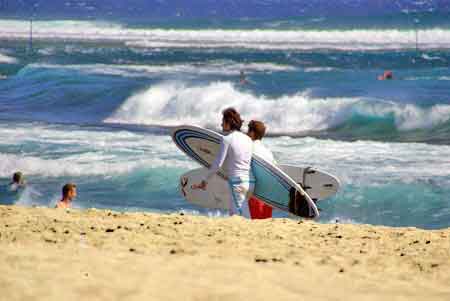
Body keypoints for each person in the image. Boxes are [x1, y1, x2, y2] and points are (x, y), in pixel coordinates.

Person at [192, 108, 255, 218]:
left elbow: (217, 164)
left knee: (240, 217)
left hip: (237, 182)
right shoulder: (248, 139)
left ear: (228, 123)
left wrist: (204, 181)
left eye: (223, 121)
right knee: (236, 211)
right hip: (250, 181)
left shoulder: (227, 139)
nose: (221, 124)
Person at [247, 120, 275, 219]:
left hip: (257, 192)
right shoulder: (268, 151)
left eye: (248, 131)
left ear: (252, 133)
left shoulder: (249, 148)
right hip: (270, 194)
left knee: (256, 222)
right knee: (266, 223)